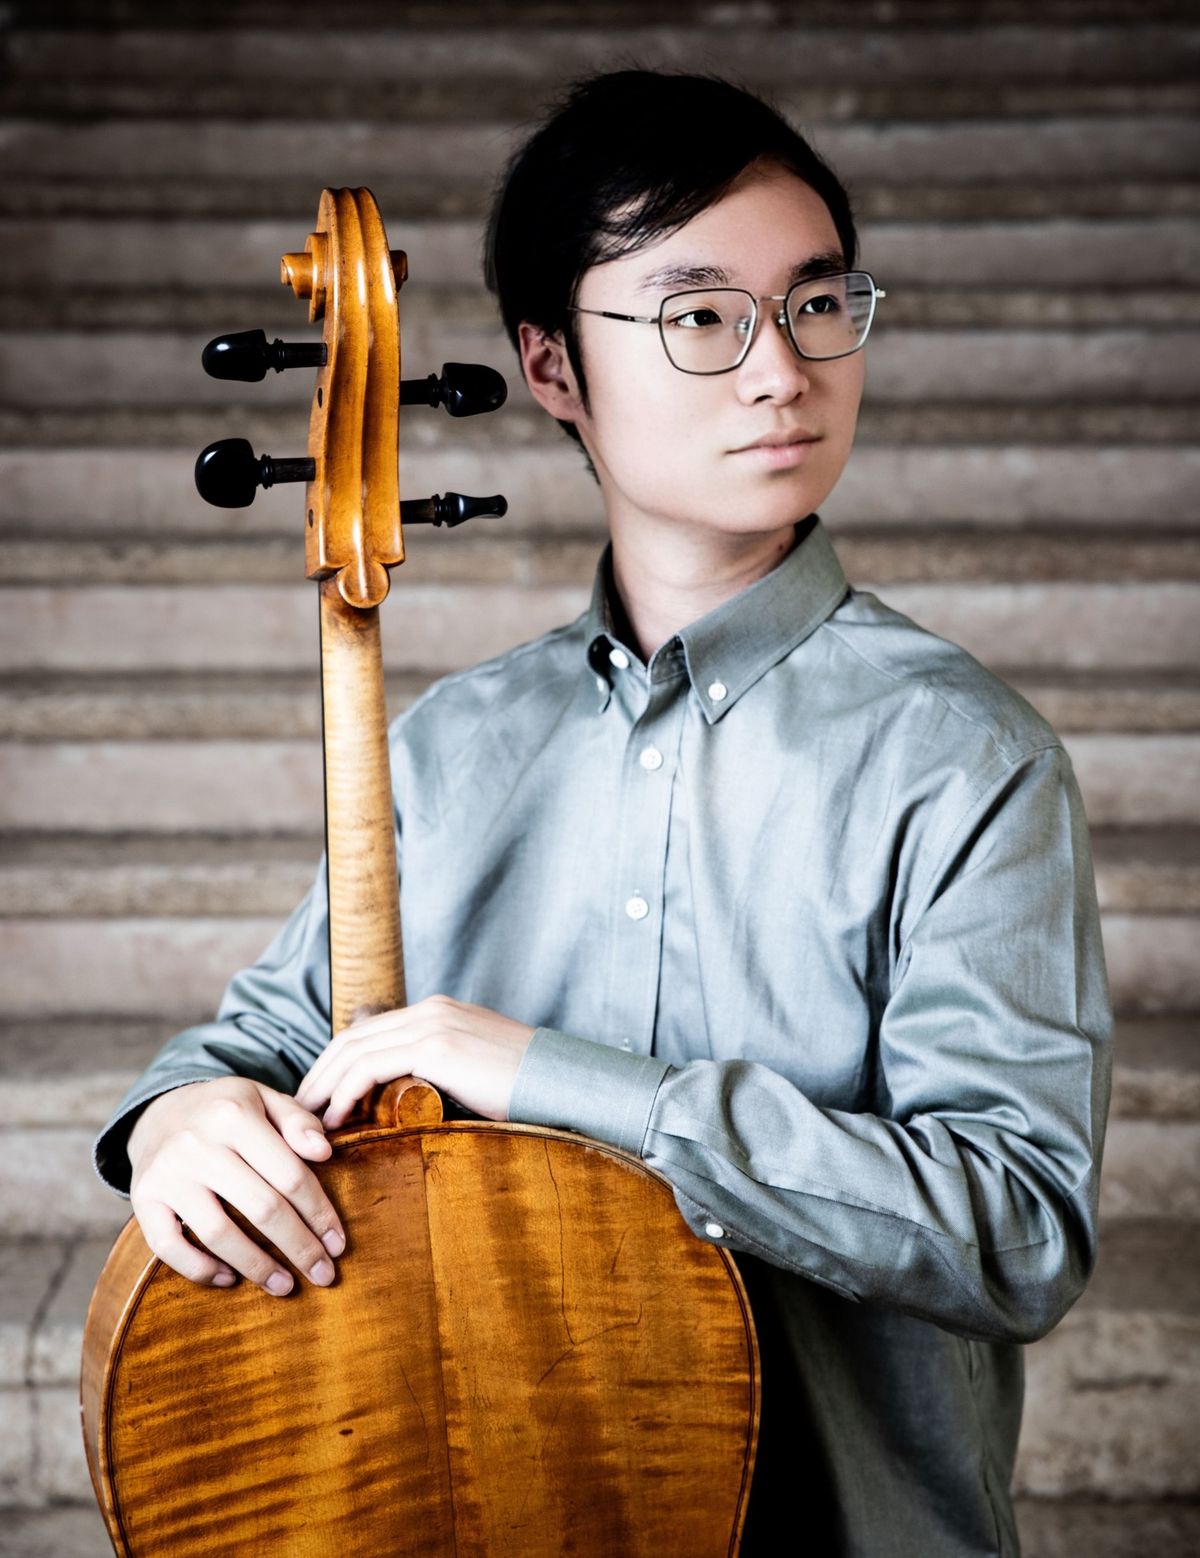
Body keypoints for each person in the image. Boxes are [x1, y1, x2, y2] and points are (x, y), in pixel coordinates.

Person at [93, 70, 1112, 1557]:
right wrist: (182, 1119)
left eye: (817, 305)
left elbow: (1016, 1227)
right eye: (701, 318)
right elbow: (251, 1043)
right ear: (552, 367)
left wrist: (555, 1077)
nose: (782, 372)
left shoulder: (964, 758)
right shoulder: (450, 750)